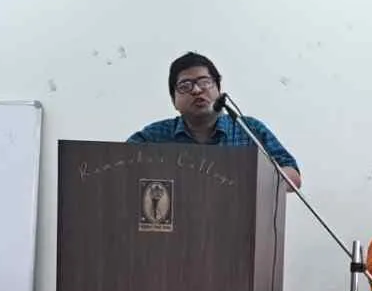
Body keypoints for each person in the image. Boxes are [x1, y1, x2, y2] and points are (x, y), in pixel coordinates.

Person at [127, 52, 302, 189]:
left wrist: (248, 182)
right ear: (174, 101)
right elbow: (121, 165)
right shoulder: (155, 136)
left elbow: (292, 176)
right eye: (185, 86)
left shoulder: (249, 130)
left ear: (218, 89)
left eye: (204, 82)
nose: (196, 90)